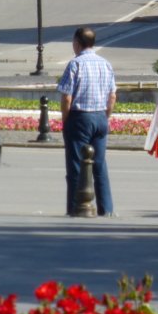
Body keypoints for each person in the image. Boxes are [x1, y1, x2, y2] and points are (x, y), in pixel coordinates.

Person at [57, 26, 117, 216]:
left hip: (80, 117)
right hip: (100, 117)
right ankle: (106, 209)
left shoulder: (76, 64)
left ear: (77, 43)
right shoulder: (105, 64)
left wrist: (65, 120)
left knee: (76, 166)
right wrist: (105, 116)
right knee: (99, 166)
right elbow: (113, 96)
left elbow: (67, 97)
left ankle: (76, 207)